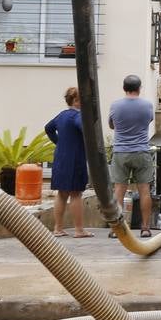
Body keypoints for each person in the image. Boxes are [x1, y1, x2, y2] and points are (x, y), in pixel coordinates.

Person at [109, 74, 156, 238]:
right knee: (144, 191)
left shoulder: (115, 105)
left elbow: (111, 125)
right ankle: (145, 228)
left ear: (124, 88)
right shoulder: (147, 105)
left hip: (120, 152)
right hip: (141, 151)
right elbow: (148, 121)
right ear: (139, 88)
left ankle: (117, 230)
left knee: (118, 192)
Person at [45, 87, 91, 237]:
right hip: (75, 159)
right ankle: (79, 230)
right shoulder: (78, 116)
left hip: (60, 158)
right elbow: (84, 128)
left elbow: (48, 128)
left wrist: (58, 142)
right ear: (76, 101)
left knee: (62, 193)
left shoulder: (61, 116)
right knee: (76, 194)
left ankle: (58, 228)